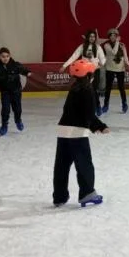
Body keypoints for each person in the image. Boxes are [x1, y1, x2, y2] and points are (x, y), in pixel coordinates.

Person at [52, 58, 109, 208]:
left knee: (61, 166)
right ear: (90, 75)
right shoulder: (88, 90)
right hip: (77, 133)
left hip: (63, 130)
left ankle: (59, 196)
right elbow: (88, 114)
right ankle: (87, 193)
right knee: (84, 164)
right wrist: (101, 126)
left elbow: (69, 111)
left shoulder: (74, 87)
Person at [0, 47, 32, 136]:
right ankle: (4, 126)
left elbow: (23, 70)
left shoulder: (15, 65)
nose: (5, 58)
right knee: (5, 109)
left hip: (16, 91)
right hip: (5, 92)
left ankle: (18, 120)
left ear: (10, 56)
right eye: (3, 56)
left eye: (7, 56)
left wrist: (28, 73)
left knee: (17, 109)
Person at [61, 30, 106, 116]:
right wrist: (64, 65)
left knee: (93, 90)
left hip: (95, 71)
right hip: (84, 72)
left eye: (93, 36)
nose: (92, 38)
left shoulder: (98, 47)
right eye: (90, 36)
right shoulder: (82, 47)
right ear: (87, 37)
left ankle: (98, 106)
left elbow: (103, 58)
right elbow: (74, 56)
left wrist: (101, 63)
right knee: (84, 90)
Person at [102, 28, 129, 114]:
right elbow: (114, 52)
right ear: (109, 37)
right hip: (110, 68)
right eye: (111, 36)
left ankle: (124, 104)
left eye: (115, 36)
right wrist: (118, 42)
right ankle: (106, 105)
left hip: (120, 69)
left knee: (121, 87)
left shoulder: (122, 45)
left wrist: (127, 63)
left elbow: (125, 56)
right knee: (108, 88)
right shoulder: (106, 45)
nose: (113, 37)